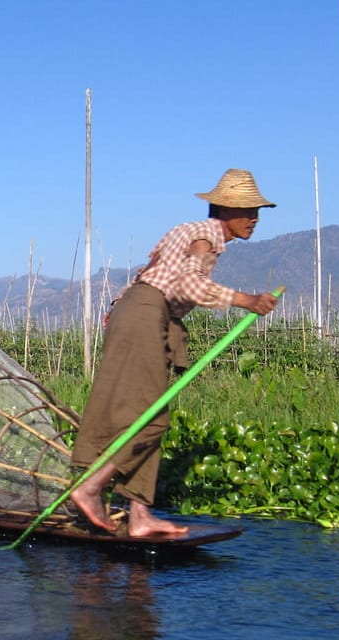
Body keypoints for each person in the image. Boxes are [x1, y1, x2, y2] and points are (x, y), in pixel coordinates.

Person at [69, 169, 281, 538]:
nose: (254, 219)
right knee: (152, 418)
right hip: (146, 313)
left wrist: (126, 307)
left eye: (257, 211)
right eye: (248, 210)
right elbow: (189, 283)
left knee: (141, 409)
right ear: (225, 209)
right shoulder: (203, 237)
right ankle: (91, 487)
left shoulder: (193, 234)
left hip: (145, 313)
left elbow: (156, 274)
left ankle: (139, 515)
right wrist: (245, 300)